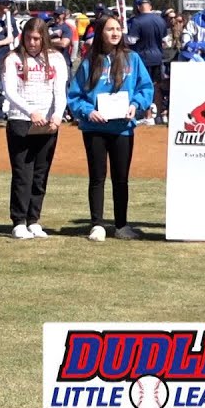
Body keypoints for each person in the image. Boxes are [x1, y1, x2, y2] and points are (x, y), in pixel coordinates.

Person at [66, 13, 154, 242]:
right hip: (95, 128)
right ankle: (97, 224)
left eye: (117, 29)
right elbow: (75, 95)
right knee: (97, 177)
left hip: (122, 128)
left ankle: (122, 225)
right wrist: (88, 111)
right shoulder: (89, 61)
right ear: (100, 32)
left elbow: (145, 88)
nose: (115, 33)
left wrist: (136, 105)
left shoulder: (132, 59)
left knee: (121, 178)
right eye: (109, 29)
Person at [3, 18, 68, 239]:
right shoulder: (13, 58)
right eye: (29, 38)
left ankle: (34, 219)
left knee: (41, 172)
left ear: (44, 38)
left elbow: (60, 90)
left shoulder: (56, 59)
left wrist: (58, 115)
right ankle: (19, 220)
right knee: (23, 172)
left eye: (37, 39)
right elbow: (10, 91)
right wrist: (30, 111)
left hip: (49, 122)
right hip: (21, 120)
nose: (32, 43)